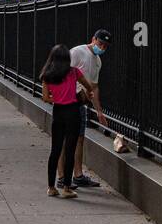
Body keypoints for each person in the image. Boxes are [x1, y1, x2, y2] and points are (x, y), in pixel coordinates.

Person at [40, 44, 96, 199]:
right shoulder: (73, 72)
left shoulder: (47, 75)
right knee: (70, 150)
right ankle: (66, 187)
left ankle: (51, 187)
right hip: (73, 111)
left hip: (58, 112)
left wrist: (56, 98)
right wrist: (88, 93)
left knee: (56, 150)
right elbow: (88, 86)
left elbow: (45, 98)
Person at [58, 29, 111, 189]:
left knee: (79, 138)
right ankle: (61, 177)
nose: (101, 47)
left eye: (105, 46)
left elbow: (94, 88)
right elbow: (63, 73)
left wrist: (99, 111)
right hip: (68, 100)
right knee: (66, 139)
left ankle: (78, 174)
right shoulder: (77, 52)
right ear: (93, 39)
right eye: (100, 43)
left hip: (80, 102)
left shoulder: (97, 61)